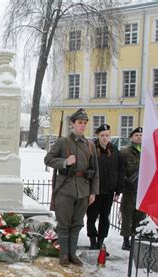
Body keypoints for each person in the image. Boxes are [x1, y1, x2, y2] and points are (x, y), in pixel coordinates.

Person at [44, 108, 99, 267]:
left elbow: (95, 171)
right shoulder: (63, 142)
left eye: (84, 123)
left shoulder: (90, 145)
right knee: (64, 223)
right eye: (79, 123)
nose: (82, 126)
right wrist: (64, 162)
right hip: (65, 189)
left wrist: (93, 192)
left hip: (83, 189)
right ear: (72, 124)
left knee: (77, 223)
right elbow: (48, 159)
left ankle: (73, 254)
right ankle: (64, 255)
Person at [86, 124, 124, 250]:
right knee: (91, 216)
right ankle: (92, 239)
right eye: (102, 135)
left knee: (105, 217)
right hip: (94, 191)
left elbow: (120, 170)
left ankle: (101, 240)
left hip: (109, 190)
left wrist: (118, 190)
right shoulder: (91, 148)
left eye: (107, 135)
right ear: (97, 136)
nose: (104, 138)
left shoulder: (114, 150)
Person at [119, 127, 144, 250]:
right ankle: (126, 240)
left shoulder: (147, 152)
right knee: (127, 214)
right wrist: (124, 182)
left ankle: (136, 237)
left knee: (140, 215)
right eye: (136, 135)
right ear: (131, 137)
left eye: (141, 135)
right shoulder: (125, 152)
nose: (139, 137)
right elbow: (119, 170)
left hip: (143, 189)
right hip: (129, 188)